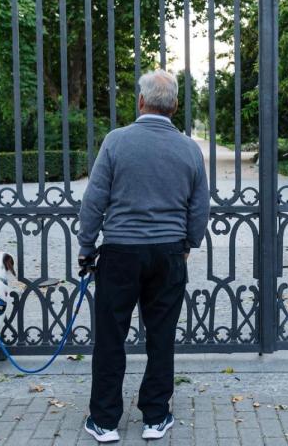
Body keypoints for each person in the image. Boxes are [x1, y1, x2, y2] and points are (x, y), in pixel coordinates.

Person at [77, 69, 210, 442]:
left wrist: (87, 249)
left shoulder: (116, 142)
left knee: (110, 336)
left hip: (120, 253)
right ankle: (155, 416)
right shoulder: (188, 149)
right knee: (161, 336)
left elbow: (94, 201)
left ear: (140, 101)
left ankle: (104, 420)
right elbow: (199, 207)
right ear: (176, 105)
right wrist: (187, 244)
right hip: (168, 253)